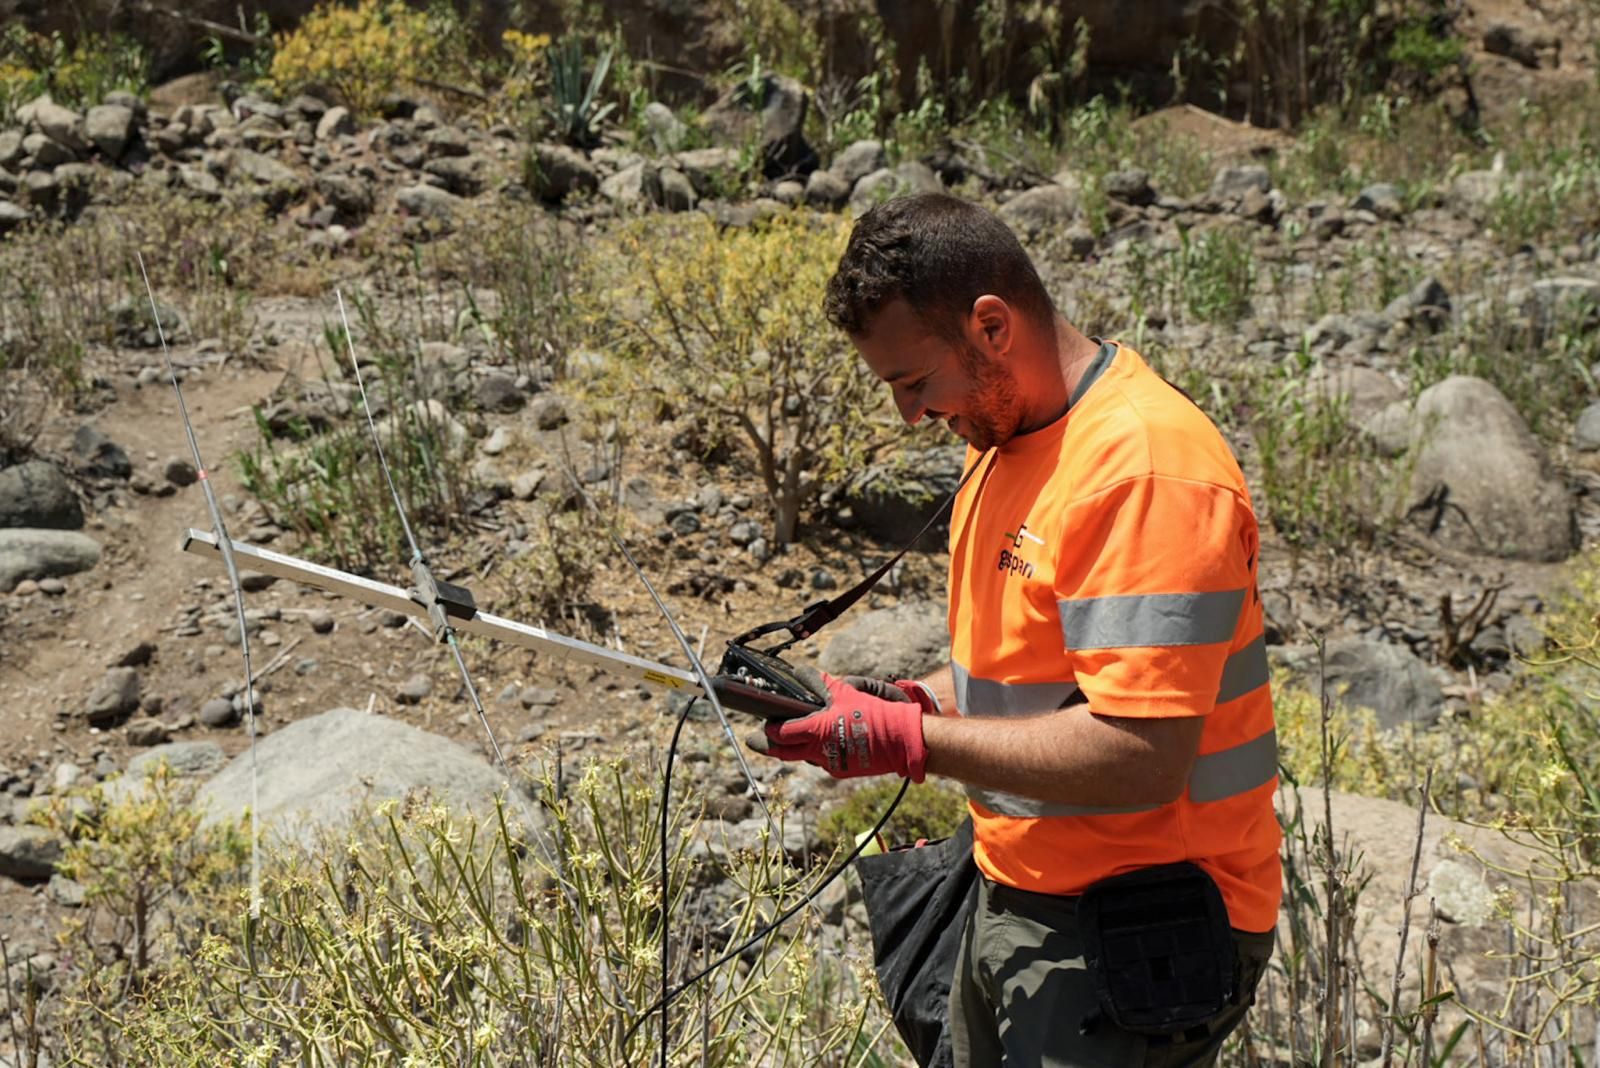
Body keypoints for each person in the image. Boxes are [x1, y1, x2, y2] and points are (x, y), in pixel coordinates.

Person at [748, 192, 1281, 1067]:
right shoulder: (1004, 439)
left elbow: (1143, 752)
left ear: (992, 326)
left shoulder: (1144, 471)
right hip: (1022, 888)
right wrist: (917, 702)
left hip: (1142, 929)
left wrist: (912, 742)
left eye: (914, 382)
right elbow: (1036, 671)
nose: (909, 415)